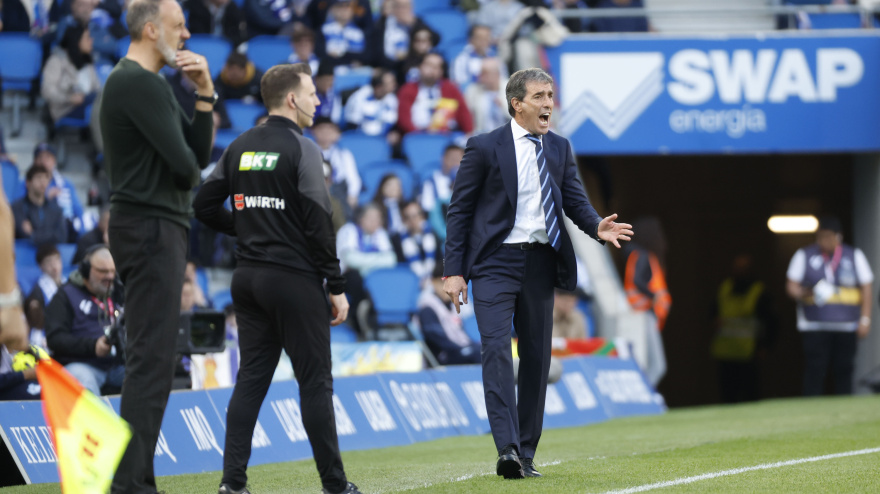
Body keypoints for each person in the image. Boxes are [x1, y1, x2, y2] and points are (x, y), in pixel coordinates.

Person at [442, 68, 632, 479]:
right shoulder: (484, 147)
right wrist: (453, 271)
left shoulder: (560, 147)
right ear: (517, 104)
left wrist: (597, 226)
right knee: (495, 349)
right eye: (541, 96)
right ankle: (507, 448)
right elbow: (459, 212)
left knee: (536, 358)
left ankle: (526, 452)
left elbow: (576, 203)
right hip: (494, 262)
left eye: (551, 95)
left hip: (541, 262)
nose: (549, 103)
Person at [193, 62, 361, 494]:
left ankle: (232, 484)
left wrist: (249, 227)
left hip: (247, 279)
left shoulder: (239, 145)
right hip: (292, 280)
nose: (317, 101)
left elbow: (204, 206)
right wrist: (337, 286)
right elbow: (320, 223)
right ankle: (335, 485)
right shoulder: (304, 148)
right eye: (311, 94)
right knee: (315, 383)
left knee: (251, 379)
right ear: (291, 99)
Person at [100, 0, 215, 490]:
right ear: (151, 30)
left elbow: (198, 153)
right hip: (148, 226)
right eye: (177, 26)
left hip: (156, 224)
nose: (186, 34)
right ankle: (130, 484)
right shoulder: (136, 82)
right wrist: (188, 160)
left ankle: (136, 479)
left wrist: (205, 94)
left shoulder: (152, 83)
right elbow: (189, 168)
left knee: (156, 356)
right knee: (150, 358)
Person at [786, 215, 873, 396]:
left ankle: (845, 404)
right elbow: (791, 286)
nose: (823, 241)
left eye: (828, 236)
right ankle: (811, 406)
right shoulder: (805, 254)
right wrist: (804, 292)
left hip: (847, 324)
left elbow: (867, 288)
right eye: (820, 236)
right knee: (815, 368)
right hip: (814, 324)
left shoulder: (853, 255)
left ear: (838, 236)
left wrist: (865, 319)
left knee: (844, 368)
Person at [45, 245, 125, 396]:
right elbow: (55, 339)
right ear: (86, 270)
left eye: (112, 271)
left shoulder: (117, 293)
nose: (109, 277)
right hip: (80, 365)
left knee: (148, 373)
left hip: (115, 365)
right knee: (84, 381)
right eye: (103, 271)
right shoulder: (64, 296)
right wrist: (93, 346)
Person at [711, 254, 777, 404]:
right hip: (725, 351)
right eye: (737, 267)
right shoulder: (725, 287)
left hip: (749, 352)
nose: (740, 271)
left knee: (750, 395)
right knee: (728, 396)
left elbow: (771, 321)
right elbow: (712, 313)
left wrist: (765, 346)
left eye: (744, 267)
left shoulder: (758, 291)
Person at [418, 265, 481, 365]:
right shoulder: (428, 308)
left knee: (486, 351)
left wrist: (472, 347)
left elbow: (463, 336)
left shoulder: (452, 305)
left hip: (459, 352)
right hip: (443, 357)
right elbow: (439, 340)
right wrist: (465, 349)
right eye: (443, 282)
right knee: (478, 354)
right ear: (433, 282)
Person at [397, 52, 473, 135]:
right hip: (417, 136)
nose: (432, 69)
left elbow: (463, 113)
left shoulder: (451, 88)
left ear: (441, 71)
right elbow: (403, 119)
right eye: (429, 65)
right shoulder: (407, 89)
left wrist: (468, 133)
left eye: (436, 67)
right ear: (419, 67)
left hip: (447, 136)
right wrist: (418, 135)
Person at [41, 23, 101, 125]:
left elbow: (97, 88)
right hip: (67, 109)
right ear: (76, 40)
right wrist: (69, 99)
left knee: (103, 99)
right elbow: (47, 91)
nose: (91, 40)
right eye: (87, 38)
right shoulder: (56, 61)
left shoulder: (87, 62)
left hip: (88, 104)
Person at [624, 216, 671, 331]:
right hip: (643, 314)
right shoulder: (642, 256)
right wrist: (654, 296)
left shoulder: (648, 258)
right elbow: (637, 280)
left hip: (645, 314)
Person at [312, 116, 361, 213]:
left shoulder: (343, 154)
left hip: (338, 191)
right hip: (314, 190)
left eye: (329, 130)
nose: (326, 134)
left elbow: (353, 177)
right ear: (314, 131)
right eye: (321, 130)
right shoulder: (308, 152)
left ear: (336, 133)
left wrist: (352, 194)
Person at [12, 164, 67, 246]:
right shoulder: (16, 207)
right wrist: (48, 234)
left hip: (49, 255)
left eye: (46, 178)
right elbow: (21, 232)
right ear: (28, 183)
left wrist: (33, 234)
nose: (43, 181)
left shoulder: (56, 209)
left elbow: (61, 237)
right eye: (39, 177)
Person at [392, 200, 438, 284]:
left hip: (434, 280)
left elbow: (441, 260)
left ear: (422, 216)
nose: (412, 220)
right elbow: (400, 265)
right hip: (411, 283)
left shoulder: (432, 234)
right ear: (403, 220)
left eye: (415, 216)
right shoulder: (397, 239)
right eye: (408, 217)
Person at [343, 69, 398, 138]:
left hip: (382, 139)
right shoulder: (360, 97)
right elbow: (352, 123)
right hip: (360, 137)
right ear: (379, 87)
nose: (394, 85)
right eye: (390, 83)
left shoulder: (392, 99)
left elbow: (390, 121)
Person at [23, 244, 64, 333]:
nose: (54, 266)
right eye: (49, 262)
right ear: (41, 267)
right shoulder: (38, 290)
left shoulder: (69, 284)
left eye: (57, 260)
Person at [464, 58, 511, 135]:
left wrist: (502, 106)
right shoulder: (472, 91)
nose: (480, 76)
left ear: (496, 74)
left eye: (484, 73)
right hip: (482, 136)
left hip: (508, 136)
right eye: (481, 73)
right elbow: (467, 117)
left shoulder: (512, 88)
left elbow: (520, 117)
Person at [316, 0, 365, 68]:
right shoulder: (324, 29)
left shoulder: (358, 32)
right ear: (333, 9)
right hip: (330, 68)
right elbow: (321, 53)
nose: (344, 10)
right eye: (340, 6)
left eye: (347, 6)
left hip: (351, 71)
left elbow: (359, 56)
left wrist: (341, 55)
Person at [420, 143, 463, 214]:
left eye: (459, 160)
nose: (455, 163)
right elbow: (427, 209)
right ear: (443, 159)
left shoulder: (470, 181)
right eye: (452, 159)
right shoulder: (431, 182)